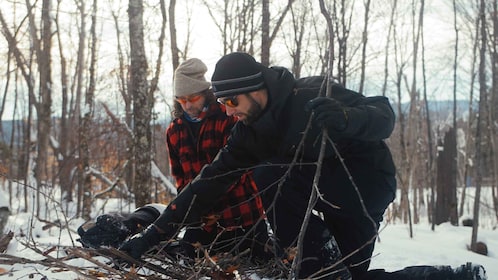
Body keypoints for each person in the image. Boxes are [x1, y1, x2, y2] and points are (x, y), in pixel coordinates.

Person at [120, 53, 486, 280]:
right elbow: (206, 184)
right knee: (268, 176)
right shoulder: (248, 133)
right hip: (304, 195)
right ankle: (313, 257)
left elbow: (383, 116)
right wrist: (153, 237)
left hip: (361, 190)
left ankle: (455, 276)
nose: (228, 110)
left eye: (231, 101)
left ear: (254, 89)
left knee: (348, 277)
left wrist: (346, 117)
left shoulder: (309, 95)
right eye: (222, 102)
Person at [164, 58, 269, 260]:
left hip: (242, 217)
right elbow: (181, 179)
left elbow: (236, 172)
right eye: (181, 99)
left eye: (192, 98)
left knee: (257, 265)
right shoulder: (174, 131)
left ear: (205, 93)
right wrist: (188, 214)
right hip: (201, 223)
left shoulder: (228, 117)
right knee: (188, 262)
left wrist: (205, 200)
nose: (186, 105)